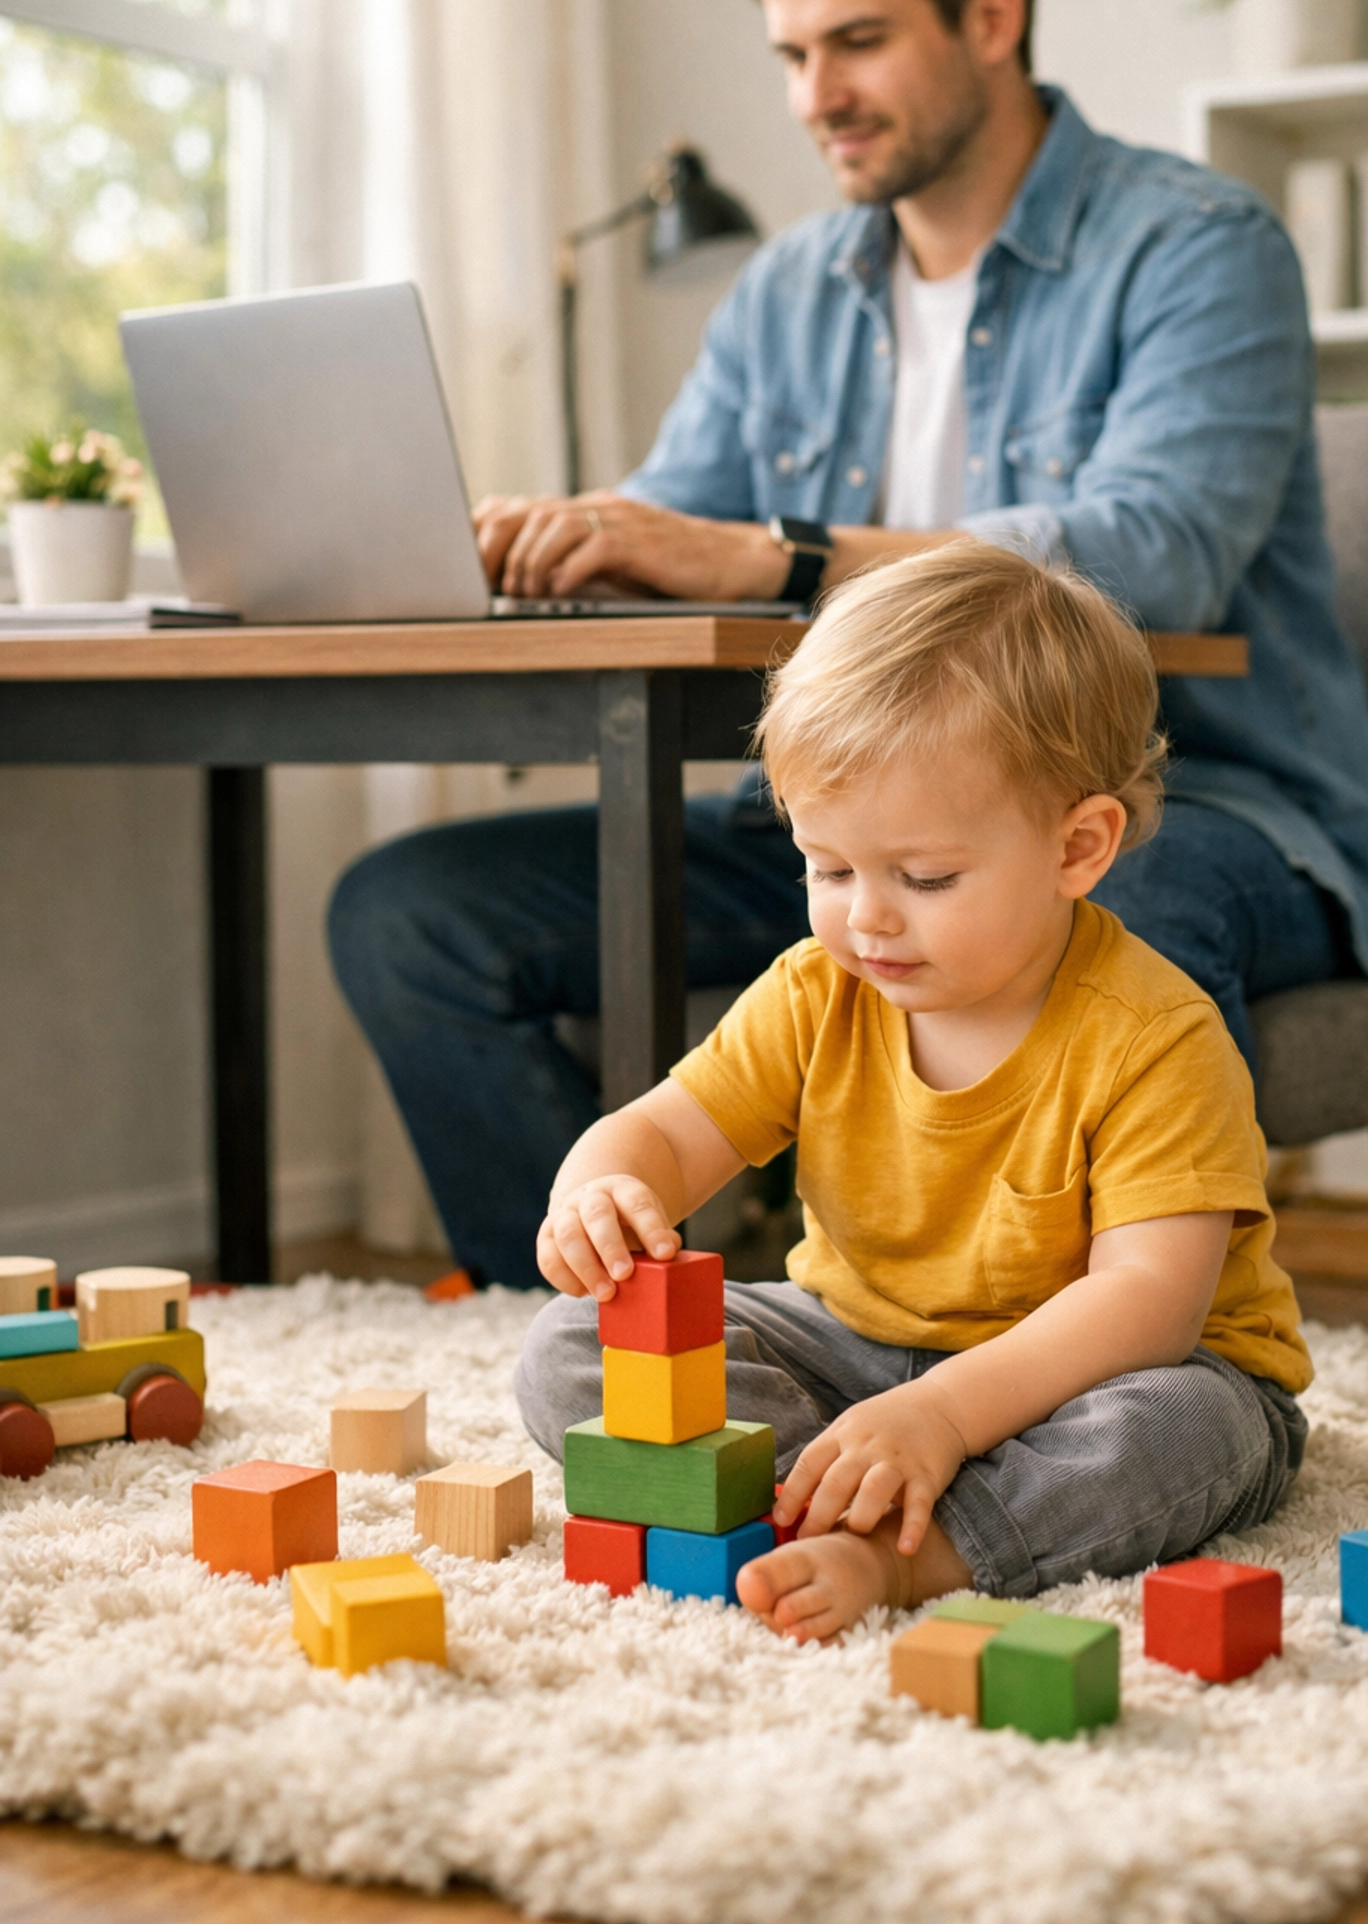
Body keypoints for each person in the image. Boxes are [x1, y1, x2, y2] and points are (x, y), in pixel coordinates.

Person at [328, 0, 1368, 1289]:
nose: (813, 99)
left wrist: (766, 558)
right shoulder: (788, 289)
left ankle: (1077, 1383)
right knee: (412, 913)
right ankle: (621, 1337)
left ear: (991, 15)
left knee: (1096, 913)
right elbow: (678, 531)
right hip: (852, 826)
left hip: (1187, 802)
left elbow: (1150, 559)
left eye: (853, 41)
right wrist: (574, 543)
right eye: (789, 56)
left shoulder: (1198, 245)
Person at [514, 543, 1311, 1638]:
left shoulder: (1156, 1036)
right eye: (828, 868)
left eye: (924, 878)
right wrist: (598, 1189)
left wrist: (943, 1412)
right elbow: (664, 1129)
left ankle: (916, 1554)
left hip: (1106, 1373)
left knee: (1187, 1431)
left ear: (1079, 847)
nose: (867, 918)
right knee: (570, 1345)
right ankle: (815, 1497)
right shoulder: (818, 990)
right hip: (853, 1345)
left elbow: (1149, 1305)